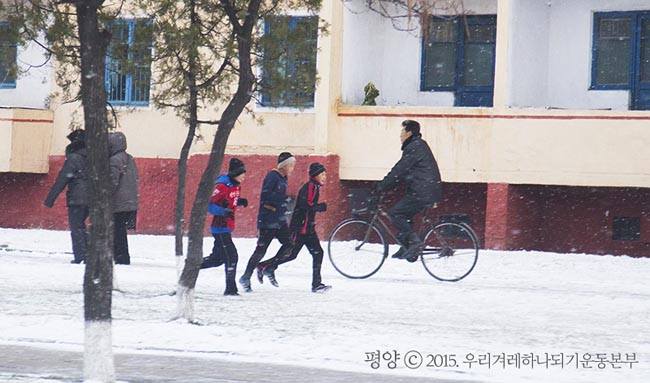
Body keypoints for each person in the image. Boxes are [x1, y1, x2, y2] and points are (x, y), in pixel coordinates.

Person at [370, 120, 442, 262]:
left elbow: (399, 171)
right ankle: (406, 246)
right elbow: (403, 172)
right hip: (425, 190)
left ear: (409, 133)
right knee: (405, 214)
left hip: (422, 192)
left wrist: (382, 186)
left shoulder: (414, 147)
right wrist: (388, 185)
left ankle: (414, 243)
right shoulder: (418, 145)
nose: (400, 136)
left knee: (395, 213)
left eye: (402, 132)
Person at [257, 162, 331, 293]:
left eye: (325, 174)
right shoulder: (310, 187)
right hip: (301, 228)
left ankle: (316, 284)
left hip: (308, 228)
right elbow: (305, 205)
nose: (325, 177)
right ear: (315, 175)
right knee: (292, 254)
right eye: (322, 174)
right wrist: (320, 207)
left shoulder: (314, 187)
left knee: (317, 253)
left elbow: (308, 205)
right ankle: (264, 265)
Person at [239, 152, 296, 292]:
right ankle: (245, 277)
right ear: (284, 165)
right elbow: (266, 195)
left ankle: (269, 267)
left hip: (280, 219)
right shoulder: (272, 176)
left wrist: (284, 202)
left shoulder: (283, 177)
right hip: (268, 219)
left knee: (289, 245)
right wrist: (281, 200)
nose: (292, 168)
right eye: (291, 165)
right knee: (260, 250)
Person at [200, 158, 248, 296]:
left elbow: (229, 200)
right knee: (232, 256)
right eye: (242, 173)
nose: (244, 176)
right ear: (235, 174)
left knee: (217, 260)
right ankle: (230, 289)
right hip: (220, 227)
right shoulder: (222, 186)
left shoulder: (236, 185)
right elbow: (209, 205)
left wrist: (239, 201)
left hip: (227, 226)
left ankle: (191, 266)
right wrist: (222, 211)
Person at [43, 130, 89, 264]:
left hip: (77, 198)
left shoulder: (74, 158)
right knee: (86, 227)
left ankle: (81, 256)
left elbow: (62, 179)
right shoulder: (94, 157)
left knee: (77, 227)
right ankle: (89, 254)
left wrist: (50, 199)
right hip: (94, 198)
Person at [109, 132, 139, 265]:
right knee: (120, 231)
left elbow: (112, 181)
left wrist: (105, 195)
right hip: (130, 200)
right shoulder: (130, 158)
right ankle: (121, 257)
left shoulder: (114, 160)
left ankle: (121, 258)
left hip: (118, 201)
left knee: (117, 231)